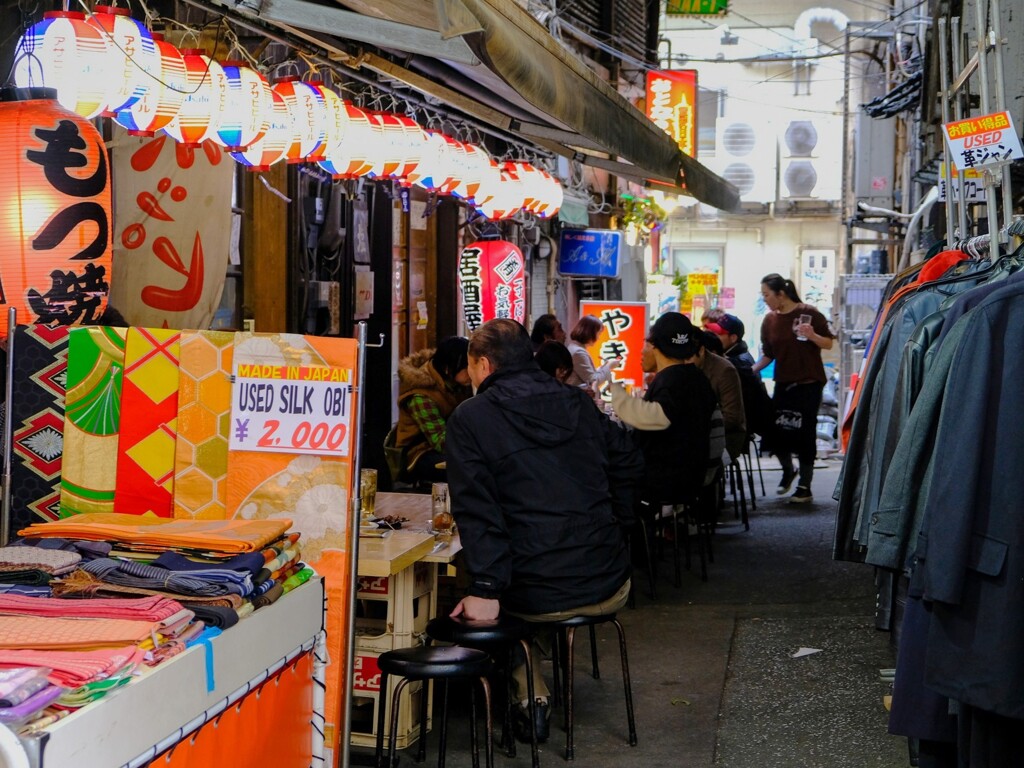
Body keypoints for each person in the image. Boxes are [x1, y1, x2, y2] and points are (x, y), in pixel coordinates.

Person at [445, 319, 644, 743]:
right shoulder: (578, 403)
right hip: (609, 578)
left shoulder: (471, 418)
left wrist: (484, 586)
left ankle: (529, 694)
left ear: (483, 364)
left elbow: (476, 511)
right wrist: (617, 527)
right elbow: (629, 461)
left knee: (481, 589)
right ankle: (532, 675)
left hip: (535, 588)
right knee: (524, 577)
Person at [609, 312, 717, 507]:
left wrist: (616, 395)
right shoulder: (696, 378)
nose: (642, 351)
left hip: (663, 479)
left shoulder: (671, 380)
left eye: (645, 344)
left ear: (655, 346)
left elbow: (657, 417)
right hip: (692, 475)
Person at [752, 274, 834, 503]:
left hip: (809, 383)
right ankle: (788, 469)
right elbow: (768, 354)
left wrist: (812, 335)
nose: (765, 299)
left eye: (767, 295)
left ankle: (805, 485)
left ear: (780, 294)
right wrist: (752, 369)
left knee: (805, 432)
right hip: (783, 383)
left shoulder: (809, 314)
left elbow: (827, 343)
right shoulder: (769, 321)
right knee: (775, 430)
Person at [394, 337, 472, 484]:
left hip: (452, 443)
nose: (471, 372)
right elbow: (441, 441)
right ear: (448, 368)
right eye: (466, 367)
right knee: (467, 470)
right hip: (419, 453)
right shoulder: (421, 395)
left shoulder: (457, 383)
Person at [707, 313, 774, 441]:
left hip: (735, 432)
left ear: (733, 338)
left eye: (719, 334)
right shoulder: (738, 356)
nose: (713, 337)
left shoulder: (735, 364)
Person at [695, 331, 746, 462]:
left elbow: (732, 417)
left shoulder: (724, 370)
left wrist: (695, 426)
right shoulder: (683, 368)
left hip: (726, 436)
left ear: (701, 351)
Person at [564, 315, 621, 387]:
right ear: (590, 332)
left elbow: (588, 375)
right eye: (599, 333)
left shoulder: (575, 347)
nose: (599, 337)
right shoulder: (578, 352)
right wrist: (608, 367)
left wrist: (603, 367)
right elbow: (593, 381)